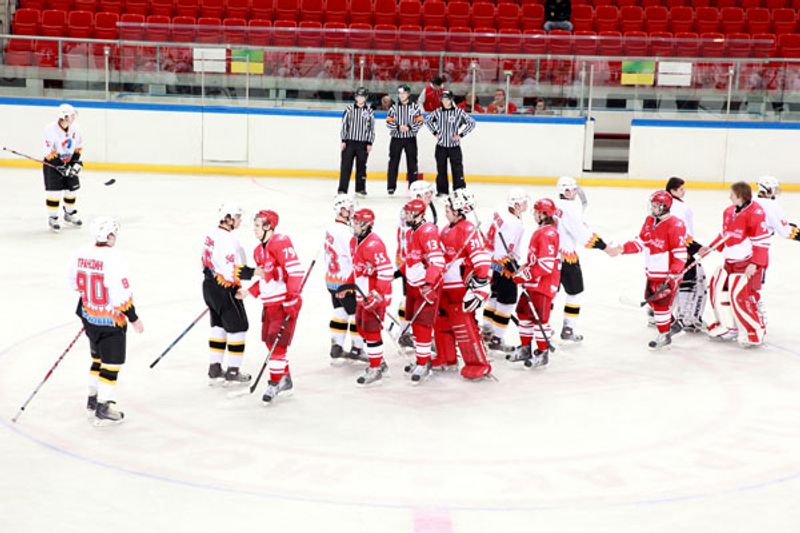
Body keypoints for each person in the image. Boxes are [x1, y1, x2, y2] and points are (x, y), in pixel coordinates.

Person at [69, 216, 144, 425]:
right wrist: (133, 317)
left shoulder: (81, 252)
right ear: (109, 236)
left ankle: (92, 401)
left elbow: (74, 282)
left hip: (90, 317)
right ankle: (104, 405)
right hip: (111, 321)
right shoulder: (114, 257)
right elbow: (120, 294)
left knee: (97, 360)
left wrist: (90, 300)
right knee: (111, 364)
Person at [237, 210, 305, 402]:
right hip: (269, 304)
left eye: (258, 226)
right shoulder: (259, 251)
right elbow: (266, 280)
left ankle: (275, 383)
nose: (254, 230)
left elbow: (296, 271)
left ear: (268, 226)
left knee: (278, 345)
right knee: (271, 342)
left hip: (283, 303)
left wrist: (292, 297)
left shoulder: (281, 242)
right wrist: (249, 291)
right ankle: (285, 378)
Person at [606, 191, 688, 350]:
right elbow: (641, 242)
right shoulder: (650, 220)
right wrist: (621, 249)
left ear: (665, 206)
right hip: (652, 270)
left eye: (656, 205)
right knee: (651, 300)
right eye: (653, 204)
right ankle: (673, 325)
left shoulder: (675, 225)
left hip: (666, 273)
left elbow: (680, 253)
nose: (653, 208)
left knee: (661, 305)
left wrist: (674, 274)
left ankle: (665, 335)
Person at [703, 182, 770, 347]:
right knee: (718, 292)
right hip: (729, 262)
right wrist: (711, 247)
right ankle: (727, 327)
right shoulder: (728, 211)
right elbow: (725, 234)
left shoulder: (756, 213)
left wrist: (755, 263)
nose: (729, 197)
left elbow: (762, 242)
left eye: (732, 194)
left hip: (745, 263)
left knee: (741, 297)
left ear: (740, 196)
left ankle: (755, 331)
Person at [436, 189, 493, 379]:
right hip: (445, 286)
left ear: (458, 209)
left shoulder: (468, 229)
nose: (445, 211)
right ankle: (446, 357)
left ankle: (478, 363)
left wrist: (481, 283)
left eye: (448, 207)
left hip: (460, 287)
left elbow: (481, 258)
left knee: (463, 324)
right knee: (442, 321)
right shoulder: (446, 229)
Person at [201, 203, 256, 386]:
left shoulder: (211, 234)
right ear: (228, 217)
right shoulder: (226, 239)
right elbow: (229, 270)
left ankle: (215, 368)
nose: (240, 220)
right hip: (225, 288)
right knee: (239, 327)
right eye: (238, 217)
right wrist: (256, 273)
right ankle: (233, 370)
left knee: (218, 326)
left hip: (209, 286)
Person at [553, 176, 611, 342]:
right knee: (575, 293)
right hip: (567, 258)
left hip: (551, 256)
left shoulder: (556, 205)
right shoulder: (571, 208)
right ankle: (568, 328)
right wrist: (605, 247)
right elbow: (583, 236)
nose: (573, 192)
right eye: (568, 189)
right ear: (562, 191)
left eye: (574, 189)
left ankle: (541, 328)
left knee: (548, 295)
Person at [508, 198, 561, 368]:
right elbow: (535, 260)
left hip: (542, 285)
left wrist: (525, 276)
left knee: (540, 319)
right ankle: (525, 348)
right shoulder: (544, 231)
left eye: (536, 211)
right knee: (523, 313)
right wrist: (521, 270)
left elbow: (545, 265)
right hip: (535, 282)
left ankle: (542, 352)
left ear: (542, 214)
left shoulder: (546, 233)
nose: (533, 214)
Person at [401, 198, 445, 383]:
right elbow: (413, 258)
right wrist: (398, 272)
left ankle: (423, 362)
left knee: (422, 324)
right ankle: (421, 358)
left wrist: (428, 284)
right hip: (413, 284)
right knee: (414, 321)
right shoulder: (412, 230)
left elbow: (438, 261)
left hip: (425, 286)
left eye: (410, 213)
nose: (406, 216)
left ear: (420, 214)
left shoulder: (427, 231)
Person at [392, 180, 438, 350]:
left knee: (410, 298)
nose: (430, 197)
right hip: (412, 264)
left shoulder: (413, 210)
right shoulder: (413, 213)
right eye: (426, 194)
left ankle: (407, 332)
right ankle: (408, 332)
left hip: (409, 261)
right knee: (413, 299)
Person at [481, 187, 528, 354]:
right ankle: (497, 338)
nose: (526, 204)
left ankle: (486, 330)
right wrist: (513, 269)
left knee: (494, 297)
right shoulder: (513, 224)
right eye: (523, 202)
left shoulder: (501, 209)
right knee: (507, 302)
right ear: (515, 204)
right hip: (503, 266)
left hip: (492, 262)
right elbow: (506, 250)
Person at [350, 208, 394, 385]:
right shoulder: (355, 241)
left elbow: (386, 270)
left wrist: (377, 294)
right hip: (362, 294)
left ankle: (375, 368)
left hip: (374, 296)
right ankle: (379, 361)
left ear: (366, 225)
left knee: (371, 330)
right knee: (361, 328)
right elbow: (356, 268)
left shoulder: (373, 244)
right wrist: (347, 285)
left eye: (357, 222)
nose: (353, 225)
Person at [324, 194, 366, 362]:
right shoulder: (347, 233)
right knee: (357, 314)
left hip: (332, 280)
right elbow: (355, 257)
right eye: (349, 208)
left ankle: (337, 345)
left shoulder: (330, 228)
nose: (352, 211)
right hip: (346, 282)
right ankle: (357, 348)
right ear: (341, 210)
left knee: (339, 311)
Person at [665, 176, 707, 333]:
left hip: (670, 251)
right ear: (672, 190)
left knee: (671, 280)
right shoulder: (677, 207)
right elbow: (680, 233)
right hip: (679, 250)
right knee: (691, 279)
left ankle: (658, 314)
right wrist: (692, 249)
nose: (684, 191)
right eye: (681, 189)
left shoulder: (668, 203)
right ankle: (686, 318)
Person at [424, 90, 476, 197]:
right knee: (441, 169)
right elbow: (427, 120)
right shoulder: (438, 112)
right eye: (443, 99)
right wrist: (435, 132)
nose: (444, 101)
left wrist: (461, 135)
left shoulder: (458, 112)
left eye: (447, 99)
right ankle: (442, 190)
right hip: (441, 146)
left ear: (451, 100)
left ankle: (459, 189)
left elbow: (472, 123)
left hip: (454, 147)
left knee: (457, 169)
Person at [44, 103, 83, 232]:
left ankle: (69, 214)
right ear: (65, 117)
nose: (74, 117)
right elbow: (48, 151)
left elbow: (78, 146)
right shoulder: (50, 129)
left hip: (69, 162)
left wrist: (75, 163)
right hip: (53, 164)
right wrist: (60, 166)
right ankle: (53, 218)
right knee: (54, 193)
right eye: (72, 115)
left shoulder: (76, 128)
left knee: (71, 191)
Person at [386, 84, 424, 195]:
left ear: (408, 94)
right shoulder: (394, 107)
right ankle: (391, 186)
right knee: (393, 162)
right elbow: (388, 122)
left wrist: (409, 127)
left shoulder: (415, 107)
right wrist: (398, 127)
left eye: (403, 93)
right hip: (396, 139)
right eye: (400, 93)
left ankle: (413, 186)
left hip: (410, 139)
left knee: (412, 162)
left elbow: (420, 121)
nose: (401, 95)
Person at [339, 87, 375, 197]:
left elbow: (371, 128)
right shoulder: (349, 109)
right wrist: (343, 140)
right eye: (358, 96)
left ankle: (360, 188)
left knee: (361, 166)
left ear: (366, 98)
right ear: (355, 97)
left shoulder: (369, 111)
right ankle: (342, 189)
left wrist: (370, 142)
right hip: (349, 142)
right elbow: (344, 125)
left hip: (362, 143)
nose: (360, 98)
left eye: (362, 96)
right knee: (346, 166)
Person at [756, 176, 800, 244]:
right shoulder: (772, 205)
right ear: (768, 189)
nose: (776, 191)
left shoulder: (750, 200)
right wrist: (787, 227)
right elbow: (785, 232)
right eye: (774, 189)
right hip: (757, 244)